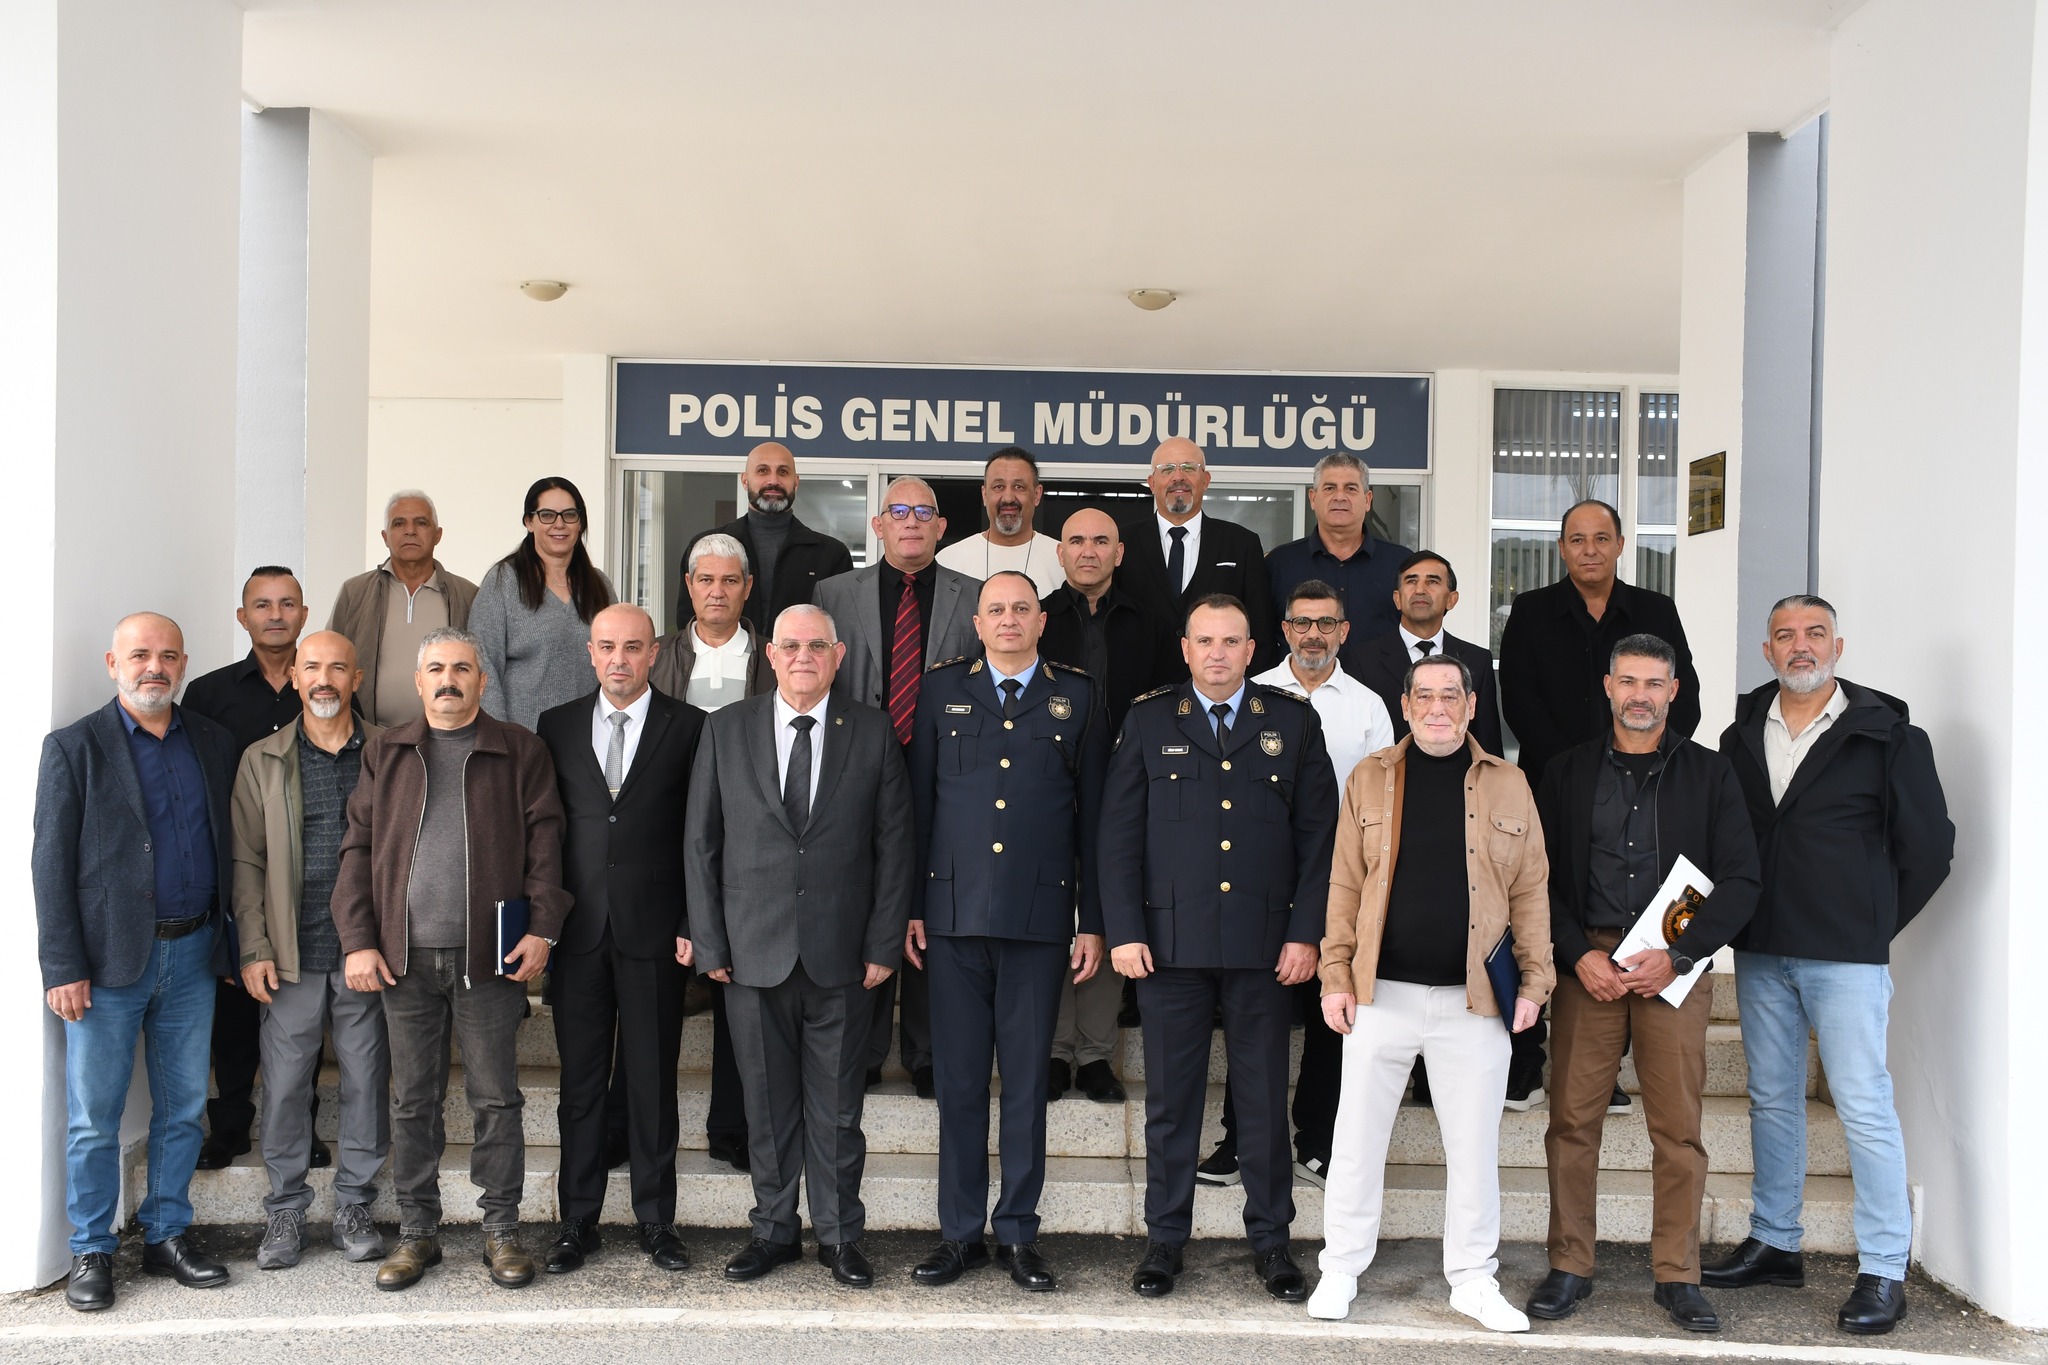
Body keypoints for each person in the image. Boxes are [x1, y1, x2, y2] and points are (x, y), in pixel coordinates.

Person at [1704, 596, 1954, 1335]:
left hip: (1845, 953)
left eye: (1815, 633)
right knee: (1772, 1099)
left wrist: (1875, 919)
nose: (1801, 645)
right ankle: (1777, 1240)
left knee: (1863, 1103)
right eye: (1786, 635)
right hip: (1761, 947)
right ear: (1767, 648)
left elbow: (1931, 849)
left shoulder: (1889, 735)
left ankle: (1883, 1265)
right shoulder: (1740, 733)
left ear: (1837, 644)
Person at [1099, 594, 1338, 1302]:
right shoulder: (1148, 721)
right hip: (1169, 947)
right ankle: (1164, 1239)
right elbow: (1117, 837)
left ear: (1252, 647)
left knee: (1263, 1101)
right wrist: (1126, 931)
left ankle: (1273, 1241)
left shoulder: (1290, 722)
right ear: (1185, 648)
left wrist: (1305, 933)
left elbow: (1319, 839)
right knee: (1171, 1104)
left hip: (1267, 949)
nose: (1217, 653)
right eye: (1205, 640)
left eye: (1231, 641)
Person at [1307, 652, 1554, 1331]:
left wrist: (1536, 981)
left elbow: (1532, 888)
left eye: (1452, 695)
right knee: (1355, 1140)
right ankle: (1341, 1267)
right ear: (1406, 704)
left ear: (1472, 706)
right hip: (1379, 994)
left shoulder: (1509, 783)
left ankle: (1474, 1279)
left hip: (1474, 1003)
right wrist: (1335, 972)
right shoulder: (1370, 776)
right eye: (1425, 696)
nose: (1438, 707)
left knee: (1473, 1148)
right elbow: (1344, 884)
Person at [1526, 634, 1761, 1334]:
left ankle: (1678, 1274)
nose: (1640, 694)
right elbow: (1536, 876)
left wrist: (1681, 954)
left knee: (1678, 1130)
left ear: (1673, 690)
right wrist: (1575, 954)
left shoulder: (1712, 774)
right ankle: (1570, 1264)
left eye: (1653, 683)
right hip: (1589, 967)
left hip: (1673, 968)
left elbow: (1743, 877)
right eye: (1628, 680)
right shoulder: (1565, 772)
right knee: (1571, 1124)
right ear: (1608, 686)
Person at [683, 604, 915, 1289]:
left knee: (838, 1110)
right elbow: (701, 843)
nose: (804, 655)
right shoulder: (726, 729)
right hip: (750, 956)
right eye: (791, 645)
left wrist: (882, 942)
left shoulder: (872, 734)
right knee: (766, 1104)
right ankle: (774, 1229)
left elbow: (895, 845)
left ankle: (841, 1234)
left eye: (817, 645)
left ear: (838, 656)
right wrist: (710, 940)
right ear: (772, 655)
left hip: (845, 959)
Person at [332, 626, 568, 1292]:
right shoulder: (387, 750)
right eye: (436, 667)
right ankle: (417, 1233)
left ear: (481, 680)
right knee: (412, 1103)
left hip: (489, 958)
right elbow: (357, 850)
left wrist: (543, 927)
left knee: (496, 1099)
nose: (448, 679)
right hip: (403, 961)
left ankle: (500, 1231)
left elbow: (547, 846)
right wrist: (358, 938)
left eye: (461, 668)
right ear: (419, 679)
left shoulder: (519, 749)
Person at [905, 573, 1108, 1293]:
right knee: (960, 1083)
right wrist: (911, 906)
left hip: (1040, 919)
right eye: (997, 608)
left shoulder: (1077, 695)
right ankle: (959, 1233)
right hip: (954, 917)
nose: (1010, 619)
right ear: (979, 620)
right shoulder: (940, 689)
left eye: (1022, 608)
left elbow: (1093, 817)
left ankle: (1018, 1232)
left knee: (1025, 1083)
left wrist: (1094, 919)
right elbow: (919, 804)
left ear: (1041, 620)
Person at [35, 613, 239, 1311]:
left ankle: (165, 1234)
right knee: (94, 1115)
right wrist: (62, 963)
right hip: (104, 962)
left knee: (182, 1107)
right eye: (140, 654)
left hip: (192, 954)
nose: (155, 666)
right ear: (112, 662)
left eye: (167, 655)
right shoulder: (74, 747)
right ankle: (92, 1248)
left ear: (184, 663)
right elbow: (50, 863)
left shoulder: (211, 741)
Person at [1197, 580, 1393, 1190]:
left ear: (1344, 631)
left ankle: (1316, 1140)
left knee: (1332, 1012)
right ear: (1283, 631)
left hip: (1345, 879)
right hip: (1262, 879)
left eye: (1326, 623)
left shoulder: (1368, 706)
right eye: (1302, 622)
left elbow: (1385, 798)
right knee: (1255, 1015)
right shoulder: (1255, 697)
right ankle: (1238, 1141)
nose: (1313, 634)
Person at [537, 604, 707, 1275]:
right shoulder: (555, 726)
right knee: (579, 1087)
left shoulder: (690, 727)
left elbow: (702, 835)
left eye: (632, 647)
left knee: (652, 1081)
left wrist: (695, 922)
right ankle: (577, 1217)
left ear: (655, 652)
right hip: (577, 934)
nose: (619, 659)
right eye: (607, 646)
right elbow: (543, 834)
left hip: (655, 933)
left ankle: (656, 1219)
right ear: (589, 651)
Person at [814, 475, 980, 1097]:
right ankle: (864, 1049)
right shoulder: (832, 593)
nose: (911, 521)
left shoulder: (976, 596)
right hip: (857, 771)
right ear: (879, 525)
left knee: (931, 906)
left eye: (924, 512)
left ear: (942, 527)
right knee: (868, 901)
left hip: (947, 777)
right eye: (898, 511)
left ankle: (928, 1051)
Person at [230, 631, 388, 1271]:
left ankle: (354, 1203)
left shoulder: (390, 751)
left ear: (356, 678)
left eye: (338, 669)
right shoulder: (261, 758)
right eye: (312, 668)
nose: (324, 680)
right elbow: (245, 860)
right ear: (294, 676)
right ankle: (286, 1211)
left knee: (365, 1081)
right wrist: (254, 946)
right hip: (290, 954)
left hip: (366, 954)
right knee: (288, 1085)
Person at [180, 567, 322, 1174]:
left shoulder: (321, 684)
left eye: (287, 604)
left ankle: (301, 1126)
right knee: (235, 1001)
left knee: (301, 1005)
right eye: (261, 605)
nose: (275, 614)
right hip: (235, 864)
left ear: (304, 614)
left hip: (307, 869)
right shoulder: (209, 695)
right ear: (243, 617)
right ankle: (232, 1124)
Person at [1037, 507, 1180, 1102]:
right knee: (1048, 910)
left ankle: (1094, 1055)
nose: (1089, 551)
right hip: (1044, 782)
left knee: (1108, 904)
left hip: (1127, 784)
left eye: (1101, 541)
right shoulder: (1036, 617)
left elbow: (1172, 700)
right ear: (1061, 552)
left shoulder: (1151, 620)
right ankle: (1050, 1050)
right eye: (1077, 541)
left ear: (1120, 553)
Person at [649, 530, 772, 1172]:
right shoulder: (660, 655)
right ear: (689, 587)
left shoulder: (774, 657)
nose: (717, 591)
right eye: (705, 580)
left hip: (751, 841)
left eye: (730, 580)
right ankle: (641, 1125)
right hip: (669, 835)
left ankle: (733, 1125)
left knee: (738, 989)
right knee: (658, 992)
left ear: (747, 589)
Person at [1498, 500, 1700, 786]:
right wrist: (1570, 767)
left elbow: (1685, 696)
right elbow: (1520, 702)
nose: (1590, 550)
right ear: (1562, 548)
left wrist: (1645, 759)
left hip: (1646, 779)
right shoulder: (1530, 611)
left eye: (1602, 539)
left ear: (1619, 544)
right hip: (1554, 779)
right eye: (1578, 540)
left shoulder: (1658, 610)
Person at [1115, 438, 1278, 673]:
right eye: (1167, 469)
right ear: (1152, 483)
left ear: (1206, 480)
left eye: (1189, 468)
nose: (1178, 477)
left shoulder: (1242, 544)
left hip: (1219, 693)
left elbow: (1261, 632)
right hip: (1139, 694)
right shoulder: (1122, 542)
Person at [471, 476, 616, 730]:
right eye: (547, 515)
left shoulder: (599, 586)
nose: (559, 524)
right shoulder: (503, 581)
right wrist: (502, 737)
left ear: (580, 523)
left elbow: (617, 658)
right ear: (529, 522)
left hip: (589, 739)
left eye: (569, 515)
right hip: (524, 741)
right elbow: (482, 663)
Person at [326, 490, 480, 727]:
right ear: (385, 536)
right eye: (399, 523)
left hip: (446, 737)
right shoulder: (355, 592)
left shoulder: (467, 595)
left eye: (421, 522)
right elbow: (331, 660)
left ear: (438, 535)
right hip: (370, 739)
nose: (410, 531)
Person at [679, 441, 854, 635]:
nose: (773, 480)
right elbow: (688, 622)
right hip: (722, 663)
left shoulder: (831, 555)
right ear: (744, 480)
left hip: (801, 664)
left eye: (783, 472)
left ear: (796, 482)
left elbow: (841, 629)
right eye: (762, 471)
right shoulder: (705, 549)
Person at [1264, 452, 1409, 673]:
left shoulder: (1401, 564)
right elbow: (1263, 638)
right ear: (1313, 498)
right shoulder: (1279, 564)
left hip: (1382, 696)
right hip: (1297, 698)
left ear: (1368, 500)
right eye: (1330, 488)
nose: (1340, 497)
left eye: (1350, 488)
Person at [1352, 550, 1503, 758]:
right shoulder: (1361, 659)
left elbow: (1487, 744)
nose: (1420, 590)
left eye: (1432, 582)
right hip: (1385, 781)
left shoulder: (1477, 660)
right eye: (1411, 581)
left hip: (1458, 784)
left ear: (1452, 599)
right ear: (1397, 598)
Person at [934, 446, 1063, 596]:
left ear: (1037, 494)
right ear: (984, 494)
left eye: (1018, 487)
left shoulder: (1063, 560)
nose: (1008, 498)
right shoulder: (948, 561)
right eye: (998, 487)